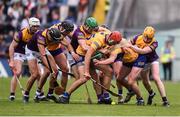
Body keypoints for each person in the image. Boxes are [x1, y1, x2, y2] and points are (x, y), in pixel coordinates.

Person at [130, 26, 170, 107]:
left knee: (156, 78)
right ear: (144, 34)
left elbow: (143, 51)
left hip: (152, 60)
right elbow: (128, 43)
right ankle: (151, 93)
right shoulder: (137, 37)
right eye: (146, 37)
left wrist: (132, 47)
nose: (147, 39)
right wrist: (130, 45)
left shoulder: (154, 42)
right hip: (143, 61)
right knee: (145, 81)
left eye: (149, 38)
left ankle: (165, 100)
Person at [24, 28, 61, 103]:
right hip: (32, 51)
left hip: (43, 49)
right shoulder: (41, 37)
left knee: (56, 71)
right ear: (49, 35)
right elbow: (43, 55)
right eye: (53, 39)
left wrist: (52, 71)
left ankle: (40, 94)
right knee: (35, 75)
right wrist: (51, 70)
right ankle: (26, 94)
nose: (53, 41)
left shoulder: (53, 34)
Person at [8, 17, 40, 101]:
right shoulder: (21, 33)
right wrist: (11, 60)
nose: (36, 28)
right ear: (30, 25)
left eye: (37, 26)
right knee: (18, 72)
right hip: (20, 52)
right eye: (34, 26)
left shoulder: (38, 34)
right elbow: (11, 46)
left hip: (32, 53)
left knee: (38, 74)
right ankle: (12, 94)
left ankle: (39, 94)